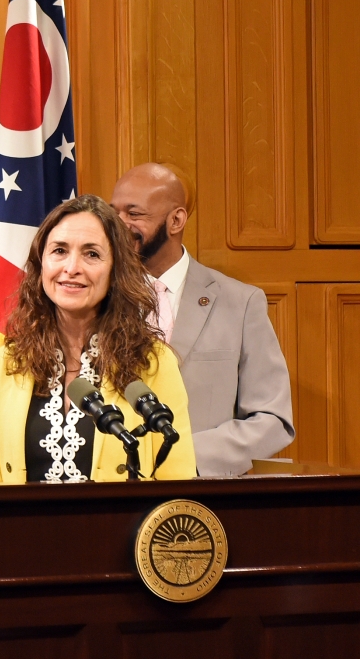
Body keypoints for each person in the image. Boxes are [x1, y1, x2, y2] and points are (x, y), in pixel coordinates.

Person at [0, 195, 197, 485]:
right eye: (59, 251)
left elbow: (179, 482)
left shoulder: (153, 361)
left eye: (92, 254)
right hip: (22, 531)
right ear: (41, 264)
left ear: (115, 270)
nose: (72, 268)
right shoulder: (9, 362)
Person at [110, 164, 294, 475]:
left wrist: (183, 457)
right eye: (114, 213)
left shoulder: (241, 303)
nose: (118, 225)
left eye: (134, 213)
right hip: (109, 492)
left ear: (176, 220)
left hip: (204, 495)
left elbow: (272, 419)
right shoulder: (98, 299)